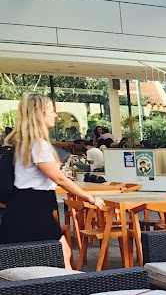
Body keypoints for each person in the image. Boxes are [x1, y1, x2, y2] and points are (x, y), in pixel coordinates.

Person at [0, 93, 105, 269]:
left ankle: (44, 291)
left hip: (21, 205)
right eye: (51, 111)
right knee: (61, 252)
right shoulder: (39, 144)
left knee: (19, 258)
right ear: (39, 113)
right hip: (35, 206)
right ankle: (66, 291)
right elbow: (58, 178)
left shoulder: (23, 143)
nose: (55, 115)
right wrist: (91, 198)